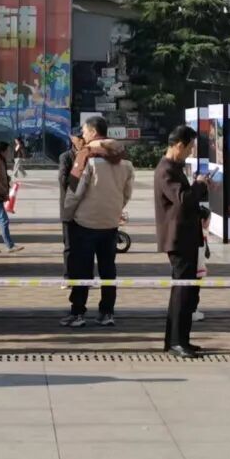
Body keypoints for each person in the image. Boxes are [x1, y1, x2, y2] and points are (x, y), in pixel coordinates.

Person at [61, 116, 134, 327]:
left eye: (85, 131)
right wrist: (115, 209)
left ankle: (77, 313)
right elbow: (127, 192)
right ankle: (107, 312)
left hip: (85, 223)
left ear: (93, 132)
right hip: (110, 223)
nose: (83, 135)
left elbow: (75, 191)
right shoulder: (124, 157)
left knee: (81, 270)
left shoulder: (86, 155)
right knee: (108, 269)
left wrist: (67, 215)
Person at [154, 125, 208, 358]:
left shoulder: (174, 168)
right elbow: (182, 199)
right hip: (178, 239)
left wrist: (200, 205)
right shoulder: (166, 170)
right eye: (189, 147)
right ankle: (177, 341)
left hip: (186, 235)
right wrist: (199, 184)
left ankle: (179, 339)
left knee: (187, 290)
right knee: (182, 290)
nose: (190, 152)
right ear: (178, 145)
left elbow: (185, 203)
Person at [57, 129, 85, 280]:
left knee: (85, 246)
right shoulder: (66, 157)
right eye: (79, 138)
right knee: (69, 245)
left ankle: (84, 277)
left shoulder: (89, 156)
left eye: (83, 138)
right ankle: (68, 276)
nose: (82, 141)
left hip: (86, 209)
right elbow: (62, 179)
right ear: (72, 139)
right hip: (69, 207)